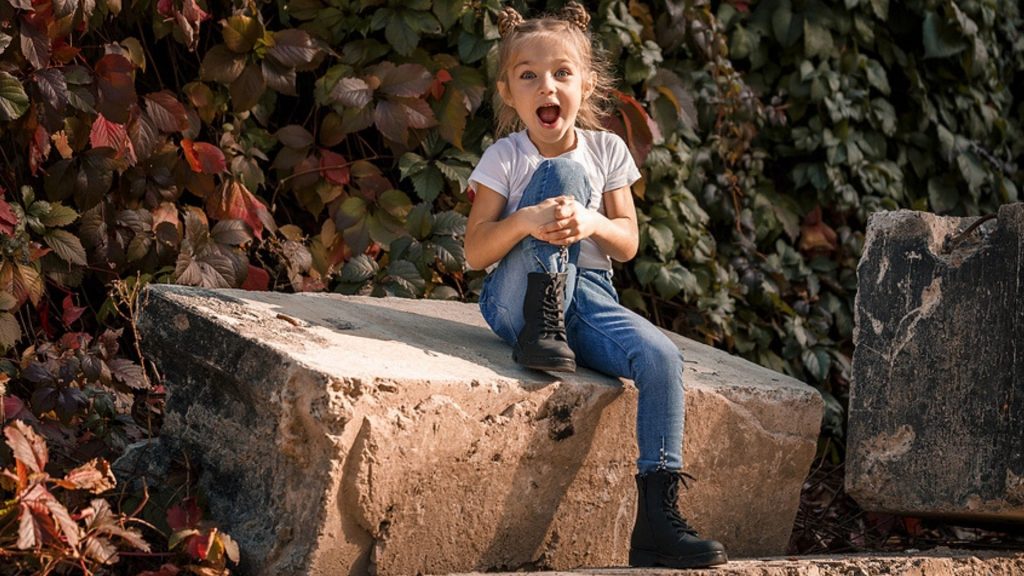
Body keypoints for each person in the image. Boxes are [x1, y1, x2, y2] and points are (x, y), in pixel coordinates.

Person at [463, 1, 728, 569]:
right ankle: (542, 329)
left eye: (562, 72)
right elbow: (475, 251)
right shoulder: (505, 155)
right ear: (508, 93)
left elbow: (627, 243)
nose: (546, 86)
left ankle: (656, 520)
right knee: (562, 173)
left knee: (661, 357)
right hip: (517, 300)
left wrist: (591, 222)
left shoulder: (608, 149)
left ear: (586, 83)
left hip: (588, 298)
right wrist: (526, 219)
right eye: (528, 75)